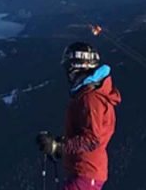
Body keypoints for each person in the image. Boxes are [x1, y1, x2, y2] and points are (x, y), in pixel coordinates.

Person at [36, 42, 121, 189]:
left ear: (76, 68)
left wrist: (59, 147)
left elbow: (92, 139)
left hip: (86, 172)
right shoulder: (91, 95)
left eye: (69, 68)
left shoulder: (91, 98)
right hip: (86, 171)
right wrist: (59, 146)